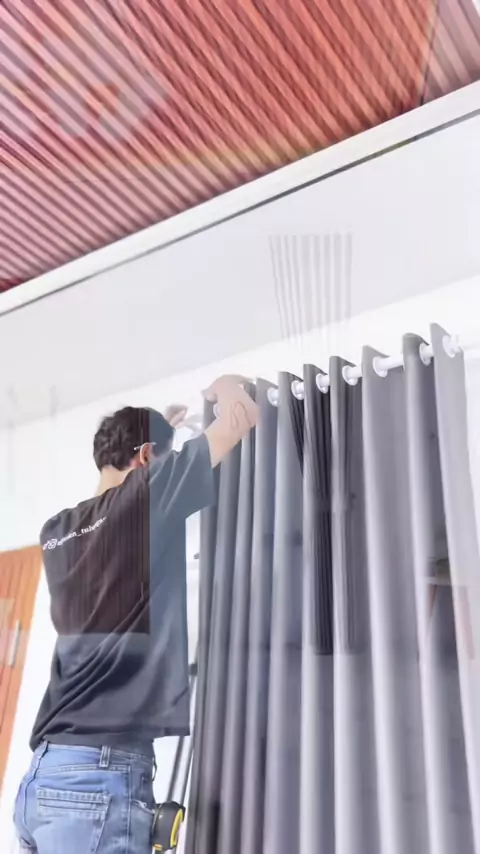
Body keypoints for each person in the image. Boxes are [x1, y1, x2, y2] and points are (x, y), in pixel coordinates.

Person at [13, 375, 258, 853]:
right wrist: (226, 386)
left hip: (43, 779)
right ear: (146, 458)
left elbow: (120, 518)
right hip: (98, 781)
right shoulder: (144, 498)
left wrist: (163, 433)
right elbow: (240, 417)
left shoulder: (56, 531)